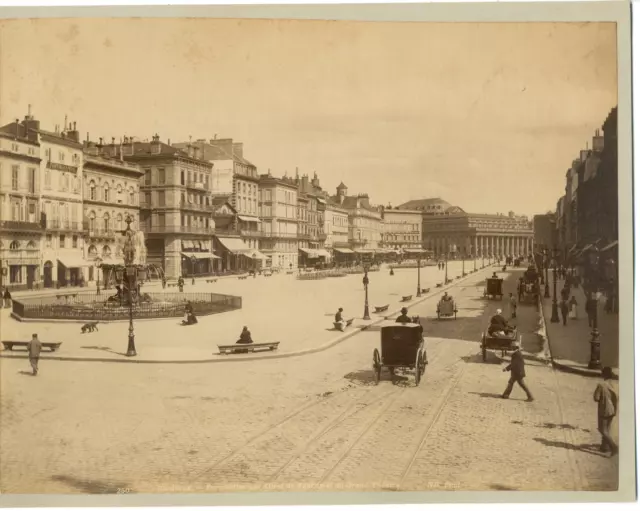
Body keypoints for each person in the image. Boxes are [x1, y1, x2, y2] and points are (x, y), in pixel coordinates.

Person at [593, 367, 618, 456]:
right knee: (607, 428)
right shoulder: (614, 384)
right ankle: (604, 447)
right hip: (612, 409)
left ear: (603, 374)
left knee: (602, 429)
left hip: (604, 409)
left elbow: (596, 398)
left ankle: (614, 447)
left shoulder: (601, 385)